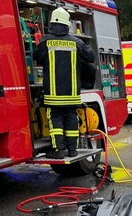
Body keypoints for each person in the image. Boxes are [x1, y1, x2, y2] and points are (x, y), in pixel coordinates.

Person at [33, 7, 95, 159]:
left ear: (52, 23)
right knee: (71, 119)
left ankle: (59, 150)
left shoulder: (46, 41)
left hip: (53, 94)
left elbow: (37, 57)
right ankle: (73, 150)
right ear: (67, 25)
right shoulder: (76, 42)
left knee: (56, 120)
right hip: (72, 93)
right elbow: (91, 57)